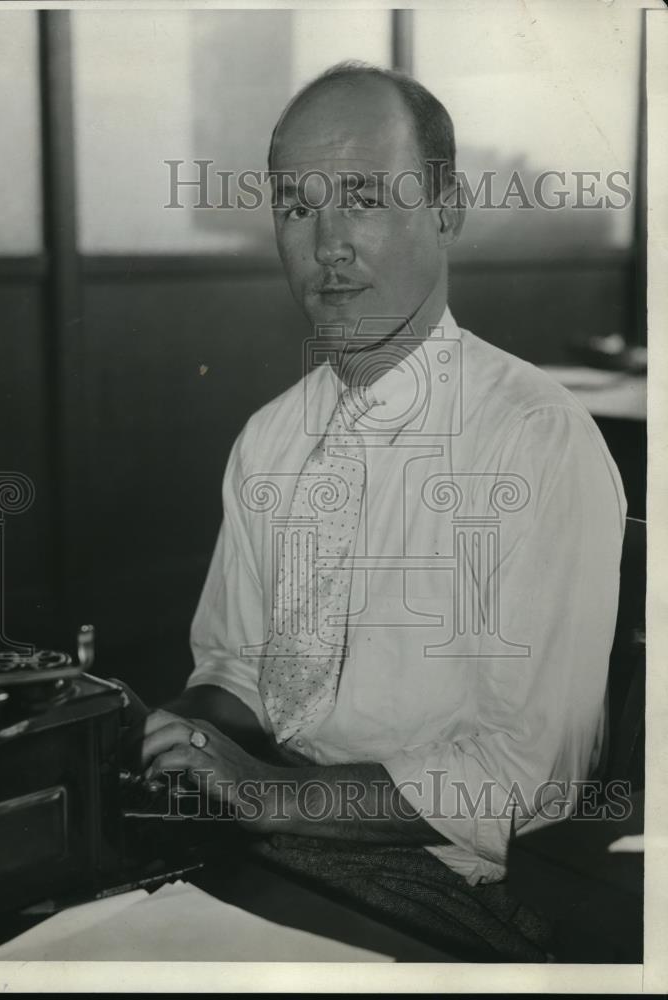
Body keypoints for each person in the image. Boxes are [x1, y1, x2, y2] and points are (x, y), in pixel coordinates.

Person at [141, 63, 626, 960]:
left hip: (436, 880)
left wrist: (268, 795)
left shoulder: (531, 439)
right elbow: (239, 669)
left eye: (362, 196)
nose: (326, 243)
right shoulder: (270, 438)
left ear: (447, 208)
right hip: (262, 834)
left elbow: (523, 777)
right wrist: (179, 735)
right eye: (296, 205)